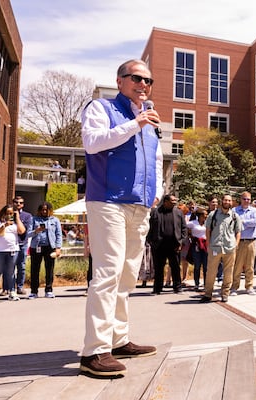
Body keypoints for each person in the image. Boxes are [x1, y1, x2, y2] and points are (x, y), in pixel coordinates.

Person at [80, 59, 163, 377]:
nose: (144, 84)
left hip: (140, 205)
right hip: (108, 201)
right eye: (137, 78)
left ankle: (118, 339)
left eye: (149, 80)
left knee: (129, 274)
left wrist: (158, 188)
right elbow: (92, 143)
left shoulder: (150, 118)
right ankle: (94, 351)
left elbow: (155, 158)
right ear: (120, 81)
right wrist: (135, 124)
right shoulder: (101, 108)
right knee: (108, 273)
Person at [200, 194, 242, 303]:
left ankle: (225, 294)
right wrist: (209, 244)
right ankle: (208, 294)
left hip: (229, 247)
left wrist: (236, 244)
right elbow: (208, 230)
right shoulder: (213, 215)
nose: (227, 202)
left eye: (229, 200)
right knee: (211, 272)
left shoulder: (235, 216)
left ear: (231, 202)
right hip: (215, 247)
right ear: (222, 201)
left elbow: (238, 232)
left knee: (228, 272)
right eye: (225, 200)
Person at [148, 194, 187, 295]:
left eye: (175, 201)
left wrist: (181, 241)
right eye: (172, 201)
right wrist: (151, 241)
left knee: (175, 267)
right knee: (158, 267)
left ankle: (177, 288)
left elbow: (184, 228)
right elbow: (149, 227)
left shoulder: (178, 213)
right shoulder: (155, 212)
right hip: (158, 245)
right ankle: (157, 288)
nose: (174, 202)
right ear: (165, 201)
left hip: (174, 245)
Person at [27, 202, 63, 299]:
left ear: (50, 210)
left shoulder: (55, 220)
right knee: (35, 269)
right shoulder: (33, 219)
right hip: (36, 247)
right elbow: (28, 234)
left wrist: (58, 248)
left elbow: (59, 234)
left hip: (50, 247)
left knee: (49, 269)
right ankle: (34, 291)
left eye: (46, 209)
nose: (44, 211)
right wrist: (36, 230)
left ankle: (49, 290)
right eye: (42, 209)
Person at [231, 191, 256, 296]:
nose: (246, 201)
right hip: (239, 241)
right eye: (244, 199)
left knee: (250, 266)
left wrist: (242, 221)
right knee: (237, 266)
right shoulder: (234, 210)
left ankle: (249, 286)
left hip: (251, 241)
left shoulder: (254, 210)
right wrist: (247, 222)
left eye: (248, 199)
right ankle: (234, 287)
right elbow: (233, 223)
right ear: (240, 199)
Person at [0, 204, 26, 301]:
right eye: (7, 213)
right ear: (3, 213)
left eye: (11, 213)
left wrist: (17, 218)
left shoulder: (15, 223)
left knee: (11, 272)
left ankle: (12, 292)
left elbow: (22, 231)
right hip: (0, 250)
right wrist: (4, 225)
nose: (9, 215)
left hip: (13, 250)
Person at [13, 196, 33, 295]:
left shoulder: (27, 216)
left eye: (20, 203)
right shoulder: (8, 214)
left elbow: (23, 231)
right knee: (9, 267)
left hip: (22, 244)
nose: (18, 204)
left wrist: (17, 217)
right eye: (16, 202)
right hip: (10, 245)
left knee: (21, 266)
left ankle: (20, 287)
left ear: (23, 204)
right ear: (13, 203)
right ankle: (8, 288)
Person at [187, 208, 208, 290]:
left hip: (206, 245)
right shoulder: (193, 223)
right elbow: (184, 226)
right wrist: (189, 235)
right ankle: (197, 283)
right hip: (196, 245)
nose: (206, 216)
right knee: (197, 265)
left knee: (206, 266)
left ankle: (206, 283)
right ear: (200, 216)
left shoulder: (207, 223)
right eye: (204, 215)